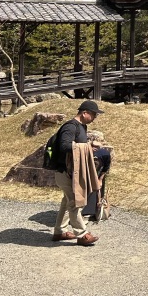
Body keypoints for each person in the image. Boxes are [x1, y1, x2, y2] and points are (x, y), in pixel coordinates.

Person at [51, 100, 104, 246]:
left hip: (70, 172)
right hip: (65, 172)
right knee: (75, 202)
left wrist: (88, 147)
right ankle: (82, 234)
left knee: (66, 202)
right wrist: (87, 146)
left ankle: (59, 231)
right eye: (93, 114)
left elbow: (77, 147)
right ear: (84, 113)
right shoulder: (70, 127)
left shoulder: (82, 127)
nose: (94, 118)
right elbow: (64, 146)